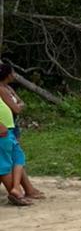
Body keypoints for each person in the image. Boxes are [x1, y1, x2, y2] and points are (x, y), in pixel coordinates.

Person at [0, 61, 41, 204]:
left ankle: (17, 188)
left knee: (17, 157)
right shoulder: (2, 89)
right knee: (5, 162)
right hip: (4, 129)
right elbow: (18, 107)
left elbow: (19, 104)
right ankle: (17, 192)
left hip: (9, 127)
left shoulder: (7, 88)